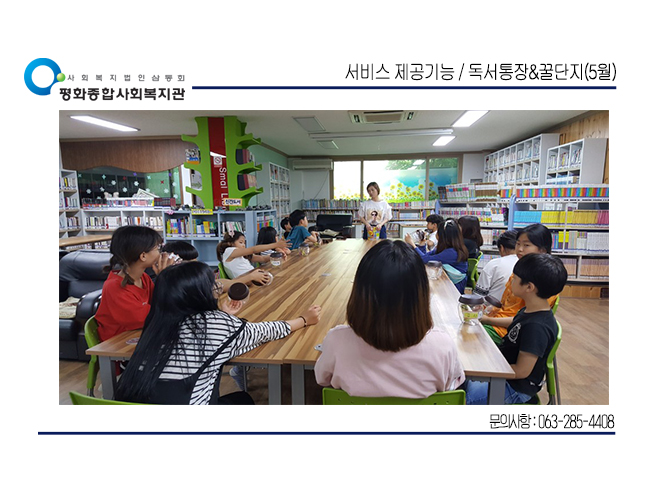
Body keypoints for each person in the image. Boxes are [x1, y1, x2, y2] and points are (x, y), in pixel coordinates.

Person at [115, 261, 322, 404]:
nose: (217, 288)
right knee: (244, 399)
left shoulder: (155, 322)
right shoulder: (214, 325)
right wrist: (304, 319)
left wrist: (222, 316)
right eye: (213, 286)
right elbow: (265, 331)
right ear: (199, 294)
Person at [315, 240, 465, 398]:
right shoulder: (443, 346)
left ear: (359, 293)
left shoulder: (336, 340)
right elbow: (451, 385)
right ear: (421, 295)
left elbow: (322, 378)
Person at [464, 253, 567, 404]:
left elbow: (521, 371)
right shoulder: (530, 309)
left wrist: (488, 371)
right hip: (503, 369)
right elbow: (517, 321)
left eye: (515, 278)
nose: (510, 281)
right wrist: (486, 318)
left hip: (514, 386)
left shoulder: (537, 328)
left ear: (529, 287)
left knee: (466, 397)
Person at [480, 223, 559, 345]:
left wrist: (486, 320)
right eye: (518, 244)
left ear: (542, 250)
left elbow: (526, 320)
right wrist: (490, 309)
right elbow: (506, 304)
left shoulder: (545, 280)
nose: (520, 249)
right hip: (497, 322)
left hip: (507, 332)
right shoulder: (520, 270)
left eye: (526, 245)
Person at [95, 225, 176, 342]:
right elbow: (151, 317)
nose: (161, 253)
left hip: (140, 335)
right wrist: (164, 277)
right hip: (118, 344)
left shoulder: (143, 278)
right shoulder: (115, 286)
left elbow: (160, 301)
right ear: (143, 256)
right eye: (157, 248)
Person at [405, 218, 469, 293]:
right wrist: (422, 243)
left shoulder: (451, 252)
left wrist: (412, 245)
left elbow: (424, 259)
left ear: (443, 235)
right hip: (448, 280)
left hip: (454, 286)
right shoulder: (446, 247)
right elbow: (426, 257)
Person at [216, 231, 289, 279]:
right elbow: (253, 249)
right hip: (245, 280)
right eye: (241, 242)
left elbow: (263, 259)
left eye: (244, 243)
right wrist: (275, 245)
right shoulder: (229, 251)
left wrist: (276, 255)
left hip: (252, 277)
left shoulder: (242, 255)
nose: (243, 245)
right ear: (230, 243)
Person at [474, 229, 519, 301]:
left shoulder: (494, 264)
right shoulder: (528, 264)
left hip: (492, 306)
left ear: (501, 248)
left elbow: (478, 296)